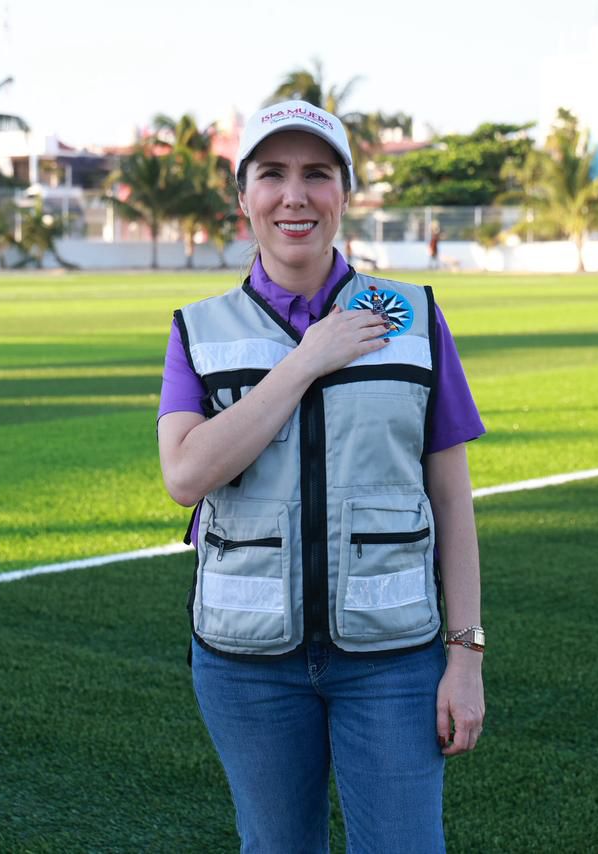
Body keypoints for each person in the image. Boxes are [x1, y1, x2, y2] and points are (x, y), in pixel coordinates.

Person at [157, 100, 486, 853]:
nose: (294, 196)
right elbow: (186, 475)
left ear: (345, 192)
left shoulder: (413, 316)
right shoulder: (197, 329)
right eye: (272, 174)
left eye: (317, 174)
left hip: (392, 659)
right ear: (244, 197)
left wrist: (466, 655)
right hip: (246, 666)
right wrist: (307, 359)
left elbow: (451, 500)